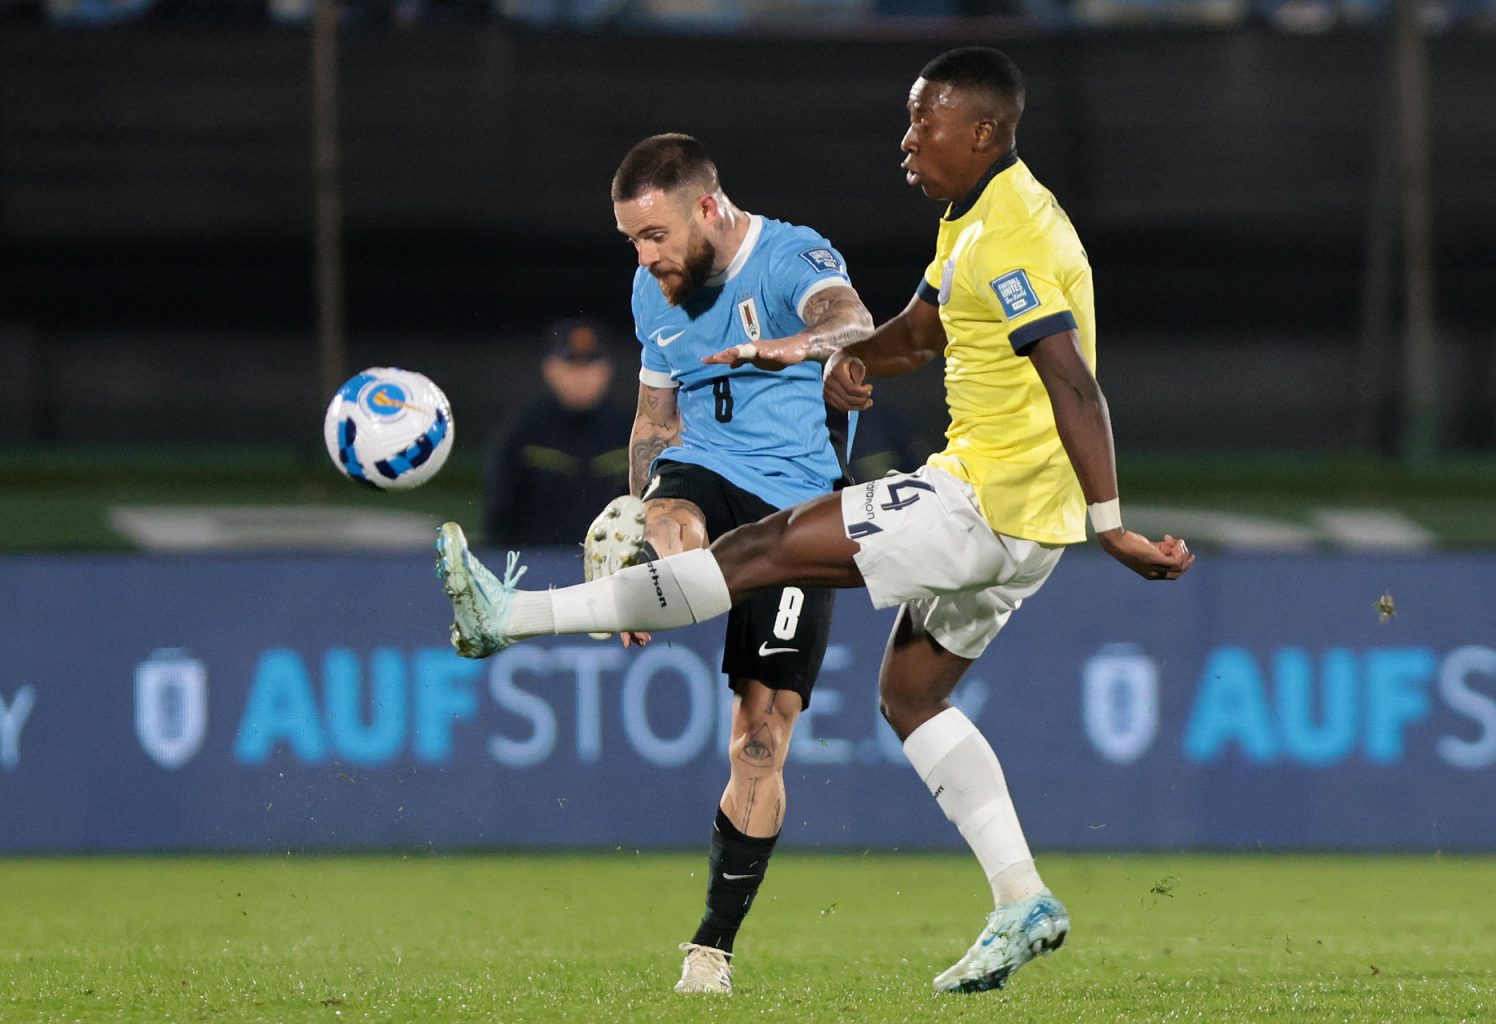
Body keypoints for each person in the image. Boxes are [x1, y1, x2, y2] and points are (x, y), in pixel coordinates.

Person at [435, 48, 1194, 994]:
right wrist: (860, 361)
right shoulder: (973, 223)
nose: (907, 141)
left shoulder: (1013, 239)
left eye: (927, 123)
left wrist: (1111, 523)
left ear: (985, 133)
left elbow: (1072, 381)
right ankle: (1022, 898)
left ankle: (507, 619)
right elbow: (917, 333)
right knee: (911, 697)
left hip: (989, 501)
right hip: (1021, 527)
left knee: (760, 551)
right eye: (910, 120)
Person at [569, 133, 875, 995]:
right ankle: (648, 572)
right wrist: (637, 548)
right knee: (671, 514)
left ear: (707, 208)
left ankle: (712, 947)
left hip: (799, 508)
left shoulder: (790, 255)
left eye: (655, 234)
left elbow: (852, 321)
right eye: (633, 238)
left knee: (760, 740)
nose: (644, 254)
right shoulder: (651, 288)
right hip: (705, 468)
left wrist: (793, 347)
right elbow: (654, 424)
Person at [481, 318, 631, 548]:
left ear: (606, 370)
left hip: (616, 573)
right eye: (571, 364)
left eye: (589, 364)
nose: (581, 376)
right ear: (549, 369)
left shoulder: (631, 434)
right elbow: (500, 518)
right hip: (539, 570)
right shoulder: (524, 434)